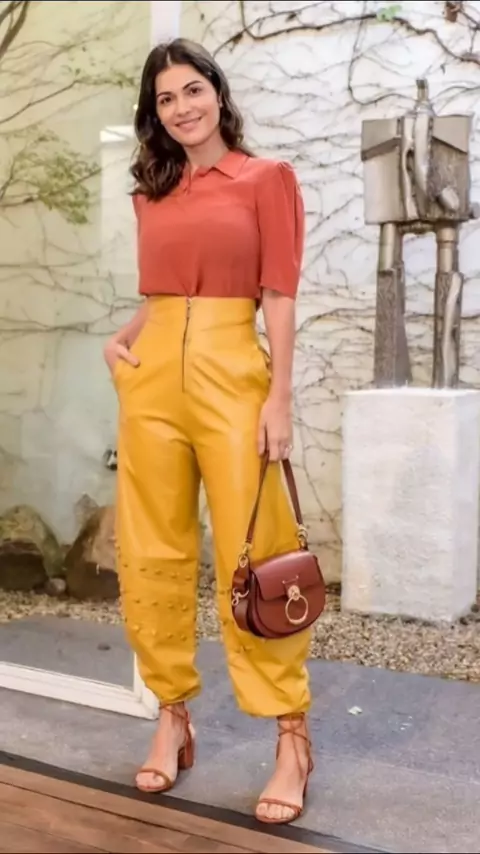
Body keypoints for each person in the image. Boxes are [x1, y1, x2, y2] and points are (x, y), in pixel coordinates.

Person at [103, 37, 313, 826]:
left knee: (256, 553)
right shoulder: (152, 192)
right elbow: (164, 293)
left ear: (218, 94)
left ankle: (291, 737)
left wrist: (279, 397)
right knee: (151, 549)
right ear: (154, 114)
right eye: (165, 99)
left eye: (192, 90)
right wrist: (124, 341)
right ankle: (171, 716)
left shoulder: (267, 179)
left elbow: (278, 294)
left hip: (234, 378)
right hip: (153, 380)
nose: (181, 108)